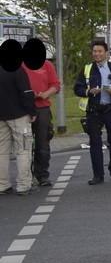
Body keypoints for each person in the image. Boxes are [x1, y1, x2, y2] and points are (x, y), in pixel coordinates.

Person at [74, 40, 111, 185]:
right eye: (95, 51)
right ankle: (98, 175)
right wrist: (88, 91)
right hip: (94, 112)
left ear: (106, 53)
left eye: (100, 51)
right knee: (95, 144)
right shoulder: (87, 69)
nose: (97, 54)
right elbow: (77, 88)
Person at [0, 49, 38, 196]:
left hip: (1, 116)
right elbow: (26, 92)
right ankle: (24, 185)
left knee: (2, 151)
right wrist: (32, 111)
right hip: (18, 115)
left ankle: (2, 185)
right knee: (23, 149)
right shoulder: (16, 69)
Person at [22, 44, 61, 187]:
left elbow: (55, 85)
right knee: (24, 145)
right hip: (24, 109)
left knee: (43, 144)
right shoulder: (21, 64)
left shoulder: (47, 65)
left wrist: (45, 94)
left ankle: (42, 174)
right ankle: (26, 176)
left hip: (43, 108)